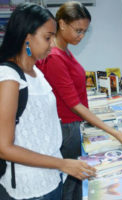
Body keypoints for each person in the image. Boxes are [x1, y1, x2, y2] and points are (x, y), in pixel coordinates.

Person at [36, 2, 122, 200]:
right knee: (69, 183)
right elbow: (73, 104)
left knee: (73, 183)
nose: (81, 36)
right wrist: (113, 131)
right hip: (66, 128)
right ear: (61, 24)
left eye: (85, 32)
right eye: (78, 30)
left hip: (71, 125)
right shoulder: (55, 57)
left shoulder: (65, 51)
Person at [0, 3, 94, 200]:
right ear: (27, 37)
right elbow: (4, 147)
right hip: (30, 186)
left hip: (51, 177)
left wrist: (59, 165)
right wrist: (62, 164)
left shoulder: (37, 73)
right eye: (47, 37)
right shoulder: (9, 78)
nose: (52, 44)